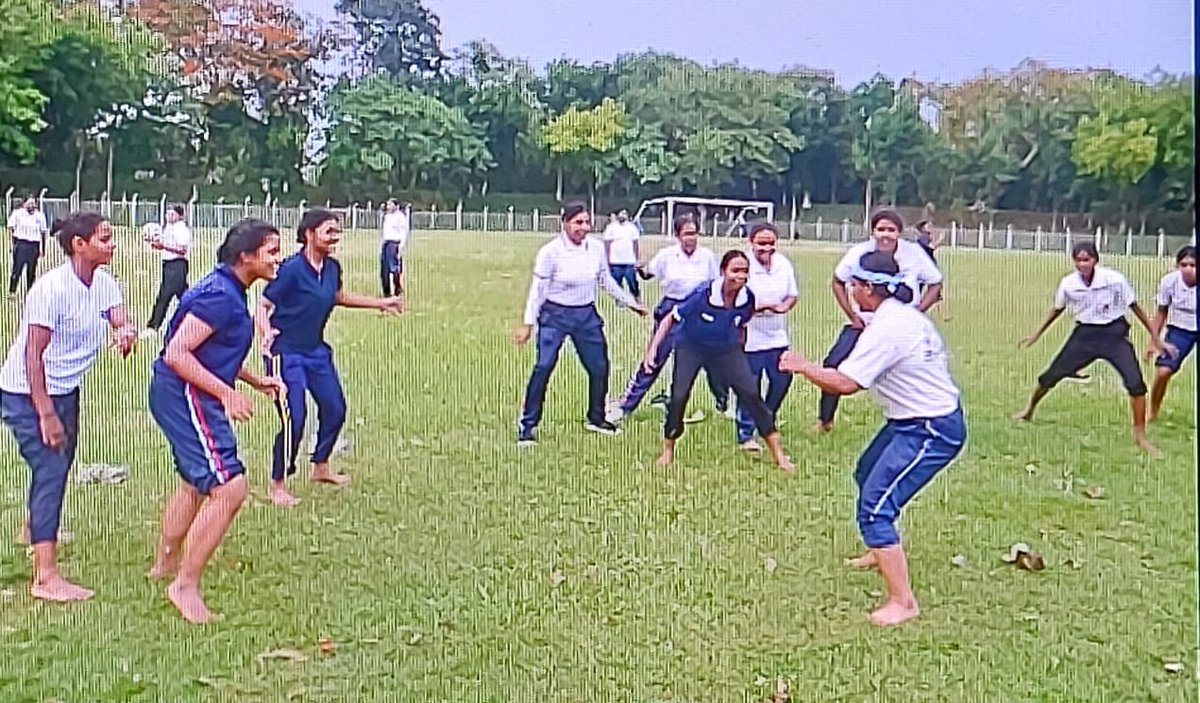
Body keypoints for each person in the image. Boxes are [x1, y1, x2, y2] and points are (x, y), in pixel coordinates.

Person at [780, 250, 965, 627]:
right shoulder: (897, 316)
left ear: (866, 288)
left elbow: (846, 384)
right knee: (867, 474)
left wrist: (803, 366)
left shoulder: (889, 328)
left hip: (932, 428)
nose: (850, 291)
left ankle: (903, 602)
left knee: (874, 507)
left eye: (853, 286)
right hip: (909, 420)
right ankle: (879, 549)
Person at [146, 218, 285, 624]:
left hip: (181, 390)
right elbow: (178, 353)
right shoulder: (221, 296)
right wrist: (226, 393)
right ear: (246, 257)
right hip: (184, 392)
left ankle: (165, 565)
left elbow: (212, 347)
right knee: (229, 486)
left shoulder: (226, 289)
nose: (279, 259)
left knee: (196, 481)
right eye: (272, 251)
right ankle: (184, 586)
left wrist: (255, 381)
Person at [0, 211, 137, 602]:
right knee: (51, 468)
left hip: (67, 391)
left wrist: (125, 332)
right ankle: (45, 576)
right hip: (26, 392)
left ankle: (33, 526)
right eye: (105, 239)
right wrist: (45, 413)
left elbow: (118, 318)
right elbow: (32, 355)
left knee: (60, 463)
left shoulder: (104, 282)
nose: (113, 245)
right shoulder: (50, 289)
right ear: (79, 244)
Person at [255, 209, 404, 507]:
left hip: (316, 351)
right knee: (294, 416)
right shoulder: (291, 270)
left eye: (337, 231)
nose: (335, 237)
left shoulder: (332, 268)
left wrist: (380, 303)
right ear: (309, 234)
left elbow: (337, 297)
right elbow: (262, 304)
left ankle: (321, 466)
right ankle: (278, 483)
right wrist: (266, 331)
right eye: (329, 231)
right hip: (286, 353)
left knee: (335, 408)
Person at [1014, 241, 1171, 454]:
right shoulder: (1069, 284)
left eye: (1086, 259)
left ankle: (1140, 436)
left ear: (1095, 260)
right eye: (1078, 260)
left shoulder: (1113, 280)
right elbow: (1056, 310)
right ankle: (1028, 410)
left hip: (1113, 334)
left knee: (1135, 383)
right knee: (1050, 376)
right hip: (1085, 335)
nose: (1082, 264)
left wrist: (1155, 338)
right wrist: (1036, 334)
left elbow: (1136, 308)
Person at [513, 201, 649, 445]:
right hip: (555, 315)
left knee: (599, 367)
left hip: (585, 314)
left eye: (587, 222)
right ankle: (528, 426)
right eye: (578, 222)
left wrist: (631, 303)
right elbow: (538, 290)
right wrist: (528, 324)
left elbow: (605, 280)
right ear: (564, 223)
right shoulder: (550, 252)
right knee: (544, 366)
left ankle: (596, 418)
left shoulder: (595, 249)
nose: (584, 227)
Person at [646, 249, 793, 472]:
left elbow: (742, 322)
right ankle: (668, 448)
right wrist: (652, 351)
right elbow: (670, 318)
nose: (740, 276)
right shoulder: (703, 294)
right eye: (735, 270)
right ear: (723, 271)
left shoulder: (747, 298)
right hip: (691, 346)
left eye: (745, 271)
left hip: (726, 348)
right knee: (679, 396)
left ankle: (779, 455)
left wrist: (740, 351)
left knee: (751, 394)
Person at [814, 209, 942, 433]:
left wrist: (918, 311)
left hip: (899, 327)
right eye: (880, 229)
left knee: (909, 370)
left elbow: (935, 282)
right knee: (833, 364)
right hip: (866, 322)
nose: (885, 235)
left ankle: (916, 419)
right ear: (872, 231)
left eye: (891, 230)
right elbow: (837, 281)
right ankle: (825, 420)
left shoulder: (913, 254)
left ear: (899, 233)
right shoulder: (859, 253)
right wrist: (853, 316)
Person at [608, 212, 724, 423]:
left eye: (694, 233)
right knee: (655, 358)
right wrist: (639, 268)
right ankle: (626, 406)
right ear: (677, 235)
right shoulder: (667, 255)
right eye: (686, 234)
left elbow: (716, 285)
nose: (691, 238)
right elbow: (648, 274)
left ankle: (723, 403)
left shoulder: (706, 256)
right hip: (672, 309)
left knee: (711, 360)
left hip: (699, 311)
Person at [736, 221, 799, 451]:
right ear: (751, 242)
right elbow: (733, 299)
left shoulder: (783, 264)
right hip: (750, 336)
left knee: (783, 378)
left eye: (771, 243)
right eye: (761, 243)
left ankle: (766, 418)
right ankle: (745, 434)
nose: (766, 248)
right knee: (750, 385)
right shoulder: (743, 265)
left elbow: (792, 294)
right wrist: (756, 307)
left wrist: (783, 306)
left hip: (777, 335)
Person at [1145, 245, 1196, 422]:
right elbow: (1161, 312)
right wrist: (1154, 340)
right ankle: (1153, 410)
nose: (1189, 269)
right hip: (1180, 330)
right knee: (1163, 372)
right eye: (1184, 265)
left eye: (1193, 265)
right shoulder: (1169, 281)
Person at [143, 204, 193, 338]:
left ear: (180, 216)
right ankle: (193, 318)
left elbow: (182, 249)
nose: (168, 216)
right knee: (183, 296)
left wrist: (163, 246)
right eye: (167, 214)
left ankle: (153, 326)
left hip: (177, 265)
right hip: (168, 265)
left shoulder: (181, 229)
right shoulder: (169, 228)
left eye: (172, 214)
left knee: (165, 295)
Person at [7, 195, 49, 298]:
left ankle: (30, 293)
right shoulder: (18, 214)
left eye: (33, 203)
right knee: (17, 269)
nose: (31, 206)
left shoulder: (40, 216)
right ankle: (12, 291)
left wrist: (42, 248)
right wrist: (12, 244)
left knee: (31, 271)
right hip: (21, 243)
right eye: (29, 203)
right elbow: (10, 229)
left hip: (33, 245)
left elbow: (43, 233)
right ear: (24, 203)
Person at [914, 219, 951, 322]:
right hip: (923, 270)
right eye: (928, 226)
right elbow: (931, 248)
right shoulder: (923, 238)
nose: (931, 227)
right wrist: (940, 239)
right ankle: (918, 310)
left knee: (936, 292)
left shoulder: (926, 238)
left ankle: (943, 314)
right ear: (923, 229)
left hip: (928, 268)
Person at [602, 208, 642, 302]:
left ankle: (637, 298)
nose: (623, 215)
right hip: (615, 261)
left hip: (629, 261)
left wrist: (637, 260)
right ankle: (620, 300)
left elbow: (635, 244)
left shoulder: (632, 227)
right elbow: (607, 244)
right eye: (621, 213)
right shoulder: (611, 227)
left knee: (632, 282)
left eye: (625, 214)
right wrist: (607, 259)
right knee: (616, 283)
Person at [380, 198, 410, 297]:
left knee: (394, 269)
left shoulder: (400, 217)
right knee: (384, 270)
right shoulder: (387, 216)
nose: (388, 207)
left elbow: (404, 232)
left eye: (390, 205)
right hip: (386, 243)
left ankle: (397, 289)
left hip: (394, 244)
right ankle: (386, 292)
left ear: (396, 206)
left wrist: (401, 247)